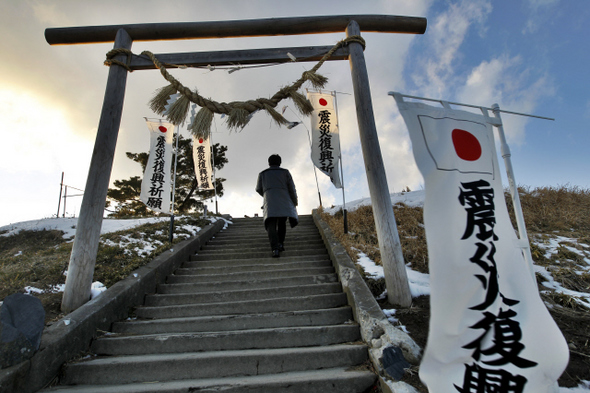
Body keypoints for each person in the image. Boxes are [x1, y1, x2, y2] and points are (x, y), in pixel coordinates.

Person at [255, 154, 298, 257]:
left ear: (269, 163)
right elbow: (292, 188)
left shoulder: (263, 174)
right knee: (282, 223)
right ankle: (280, 243)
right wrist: (294, 202)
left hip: (269, 202)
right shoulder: (285, 172)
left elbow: (258, 188)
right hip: (284, 201)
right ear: (280, 163)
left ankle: (275, 249)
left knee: (271, 224)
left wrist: (266, 194)